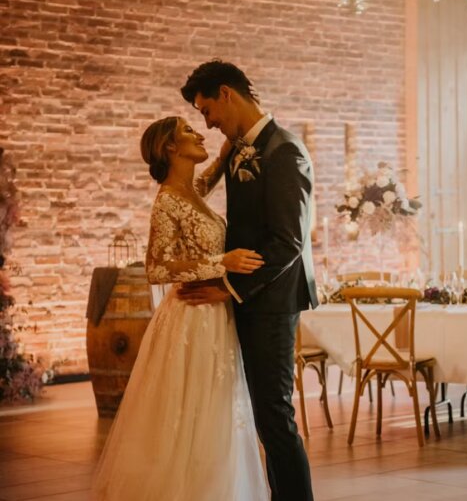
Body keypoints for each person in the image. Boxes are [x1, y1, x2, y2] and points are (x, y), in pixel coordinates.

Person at [91, 116, 269, 500]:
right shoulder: (167, 201)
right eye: (189, 131)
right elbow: (156, 269)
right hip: (191, 318)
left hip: (215, 314)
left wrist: (237, 138)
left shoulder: (192, 191)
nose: (199, 133)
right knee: (194, 410)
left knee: (215, 410)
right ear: (169, 147)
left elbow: (214, 168)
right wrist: (224, 262)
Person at [178, 60, 319, 501]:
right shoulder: (241, 150)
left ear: (226, 94)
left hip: (273, 303)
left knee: (276, 418)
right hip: (249, 302)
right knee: (263, 418)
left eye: (207, 111)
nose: (210, 122)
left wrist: (228, 287)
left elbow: (287, 242)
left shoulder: (284, 151)